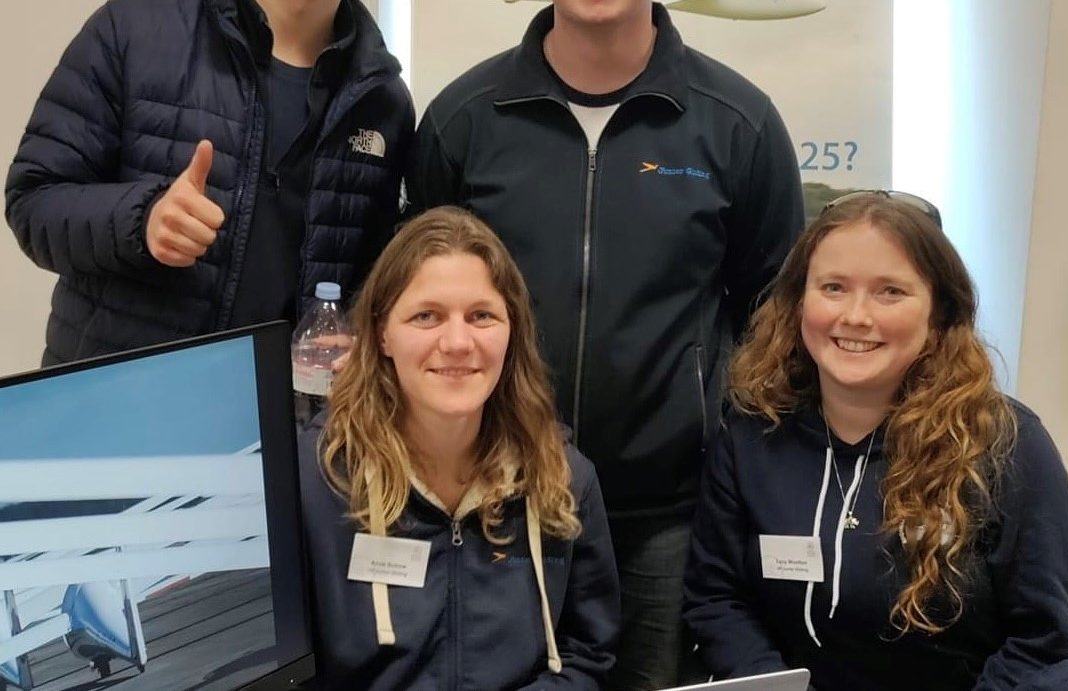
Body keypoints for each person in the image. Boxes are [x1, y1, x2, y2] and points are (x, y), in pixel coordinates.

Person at [406, 2, 805, 686]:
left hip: (666, 514)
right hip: (494, 503)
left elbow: (775, 323)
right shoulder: (464, 120)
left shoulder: (738, 123)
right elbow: (414, 298)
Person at [683, 191, 1068, 690]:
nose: (856, 315)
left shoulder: (1005, 445)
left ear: (939, 316)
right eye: (833, 287)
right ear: (798, 303)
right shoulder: (751, 435)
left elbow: (1049, 643)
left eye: (890, 292)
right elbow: (718, 598)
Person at [296, 206, 621, 690]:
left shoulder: (563, 477)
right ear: (382, 334)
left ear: (512, 331)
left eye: (481, 316)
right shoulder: (313, 479)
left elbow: (587, 654)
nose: (457, 342)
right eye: (426, 316)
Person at [5, 0, 413, 366]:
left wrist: (366, 340)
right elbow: (33, 198)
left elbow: (374, 279)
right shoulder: (136, 29)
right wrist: (144, 219)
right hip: (119, 396)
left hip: (284, 412)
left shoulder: (382, 99)